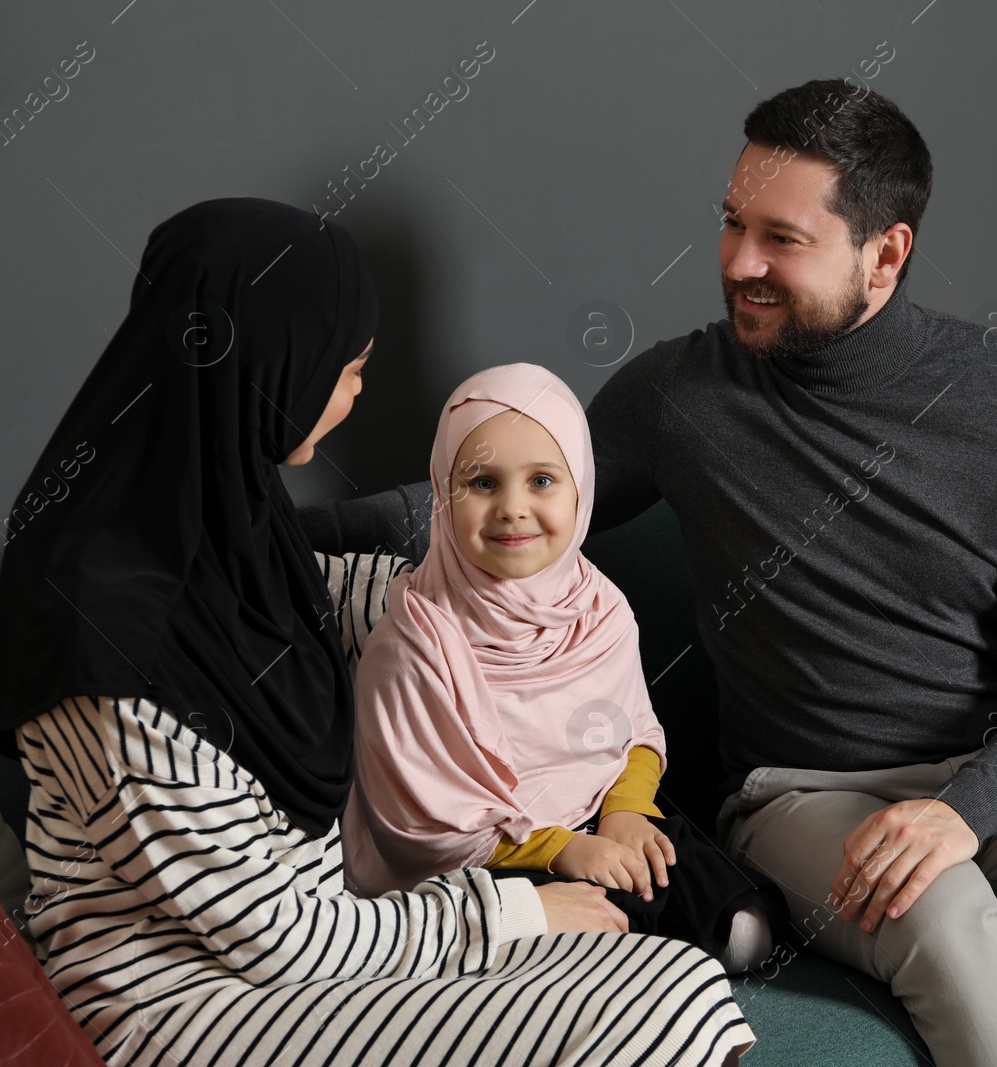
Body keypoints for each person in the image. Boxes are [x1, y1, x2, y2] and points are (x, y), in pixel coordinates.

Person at [304, 79, 997, 1067]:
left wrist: (965, 808)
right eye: (731, 224)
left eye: (782, 238)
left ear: (885, 253)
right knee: (936, 913)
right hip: (803, 793)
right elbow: (497, 502)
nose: (737, 263)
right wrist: (251, 525)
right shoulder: (682, 394)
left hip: (990, 780)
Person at [0, 198, 754, 1067]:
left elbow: (367, 595)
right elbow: (268, 933)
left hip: (334, 930)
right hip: (191, 994)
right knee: (654, 1009)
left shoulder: (222, 521)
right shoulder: (106, 641)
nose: (357, 391)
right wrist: (512, 911)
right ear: (267, 362)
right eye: (345, 365)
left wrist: (499, 594)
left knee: (666, 980)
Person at [344, 362, 784, 972]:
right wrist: (560, 852)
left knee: (746, 930)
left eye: (543, 480)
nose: (513, 509)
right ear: (444, 493)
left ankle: (633, 933)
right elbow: (419, 822)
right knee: (568, 937)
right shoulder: (414, 645)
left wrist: (627, 814)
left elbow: (632, 731)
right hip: (489, 857)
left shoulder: (598, 608)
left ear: (582, 489)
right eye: (482, 484)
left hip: (603, 813)